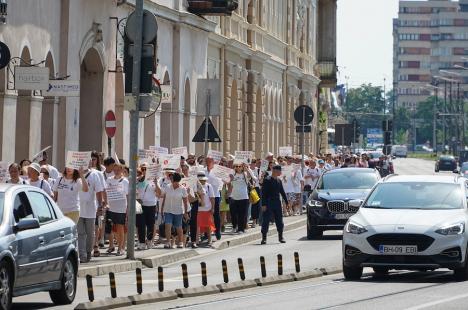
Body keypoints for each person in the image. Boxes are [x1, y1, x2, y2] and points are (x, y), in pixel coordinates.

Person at [78, 161, 105, 263]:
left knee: (90, 233)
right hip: (78, 208)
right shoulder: (76, 174)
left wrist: (100, 206)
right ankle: (82, 254)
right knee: (81, 233)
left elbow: (98, 191)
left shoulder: (94, 175)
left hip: (91, 208)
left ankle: (88, 251)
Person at [105, 160, 129, 256]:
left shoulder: (125, 181)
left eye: (118, 170)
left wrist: (127, 209)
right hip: (111, 208)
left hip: (121, 208)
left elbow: (128, 196)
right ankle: (118, 245)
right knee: (113, 230)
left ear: (122, 170)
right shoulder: (109, 179)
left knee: (120, 228)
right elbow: (105, 192)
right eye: (114, 170)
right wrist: (105, 203)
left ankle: (121, 248)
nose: (116, 171)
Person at [261, 165, 289, 245]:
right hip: (268, 202)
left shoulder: (279, 181)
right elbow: (264, 193)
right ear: (275, 171)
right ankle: (264, 238)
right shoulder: (267, 180)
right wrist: (263, 204)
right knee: (266, 220)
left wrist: (287, 202)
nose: (280, 172)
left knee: (279, 221)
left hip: (277, 203)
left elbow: (282, 192)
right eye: (279, 171)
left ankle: (281, 237)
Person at [161, 173, 189, 249]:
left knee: (178, 227)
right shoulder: (167, 187)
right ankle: (168, 242)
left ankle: (180, 242)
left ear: (176, 180)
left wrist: (186, 212)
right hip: (168, 209)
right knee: (167, 225)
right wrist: (162, 209)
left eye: (172, 178)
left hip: (178, 211)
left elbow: (185, 201)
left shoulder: (182, 189)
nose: (171, 180)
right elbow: (164, 198)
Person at [227, 163, 256, 234]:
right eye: (236, 166)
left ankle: (241, 229)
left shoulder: (245, 174)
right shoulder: (233, 175)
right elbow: (229, 184)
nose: (238, 168)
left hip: (244, 197)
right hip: (234, 197)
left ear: (242, 167)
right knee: (233, 214)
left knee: (242, 214)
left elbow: (250, 176)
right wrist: (228, 194)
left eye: (240, 166)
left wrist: (247, 169)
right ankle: (234, 227)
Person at [136, 167, 158, 250]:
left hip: (151, 205)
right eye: (143, 169)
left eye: (146, 169)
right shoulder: (138, 180)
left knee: (150, 224)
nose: (145, 171)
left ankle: (149, 241)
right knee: (141, 224)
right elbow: (133, 189)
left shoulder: (154, 180)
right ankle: (141, 242)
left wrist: (156, 183)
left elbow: (159, 193)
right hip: (140, 205)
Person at [205, 155, 223, 240]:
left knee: (216, 215)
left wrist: (209, 181)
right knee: (206, 215)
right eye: (207, 161)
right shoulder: (203, 171)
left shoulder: (217, 171)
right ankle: (206, 233)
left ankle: (217, 231)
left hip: (215, 195)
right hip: (205, 196)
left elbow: (219, 183)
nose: (208, 163)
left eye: (209, 161)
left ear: (212, 162)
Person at [197, 172, 215, 246]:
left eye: (203, 180)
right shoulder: (195, 186)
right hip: (198, 209)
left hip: (207, 209)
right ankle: (200, 238)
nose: (202, 181)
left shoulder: (208, 186)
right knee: (199, 225)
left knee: (208, 225)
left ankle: (210, 239)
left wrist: (213, 208)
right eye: (200, 180)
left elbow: (212, 198)